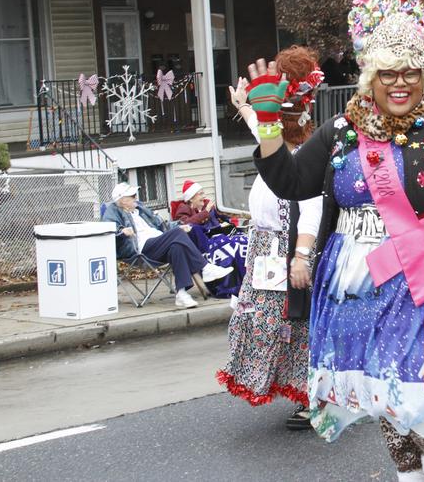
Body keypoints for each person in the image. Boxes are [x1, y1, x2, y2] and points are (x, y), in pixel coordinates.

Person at [230, 0, 424, 482]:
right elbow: (290, 182)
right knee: (387, 404)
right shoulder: (341, 132)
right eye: (387, 73)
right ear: (369, 78)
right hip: (358, 291)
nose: (399, 83)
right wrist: (267, 125)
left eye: (411, 73)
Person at [218, 45, 323, 431]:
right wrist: (244, 104)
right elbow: (258, 127)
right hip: (265, 250)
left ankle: (318, 397)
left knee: (297, 326)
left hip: (289, 249)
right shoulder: (276, 145)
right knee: (270, 324)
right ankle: (310, 393)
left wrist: (301, 257)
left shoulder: (307, 153)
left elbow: (312, 205)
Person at [102, 183, 232, 308]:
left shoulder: (140, 209)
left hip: (158, 242)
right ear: (123, 200)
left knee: (177, 247)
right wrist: (122, 232)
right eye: (133, 196)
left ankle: (181, 294)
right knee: (177, 234)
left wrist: (180, 225)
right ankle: (206, 267)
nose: (136, 198)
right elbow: (109, 230)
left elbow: (162, 224)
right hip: (141, 249)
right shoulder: (113, 211)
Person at [174, 180, 246, 299]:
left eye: (203, 193)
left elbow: (223, 217)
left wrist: (232, 221)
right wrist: (205, 212)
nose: (204, 196)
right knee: (229, 248)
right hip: (204, 244)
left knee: (242, 241)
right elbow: (186, 225)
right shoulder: (183, 209)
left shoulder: (208, 205)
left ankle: (245, 283)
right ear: (191, 198)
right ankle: (228, 287)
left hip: (219, 235)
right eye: (200, 194)